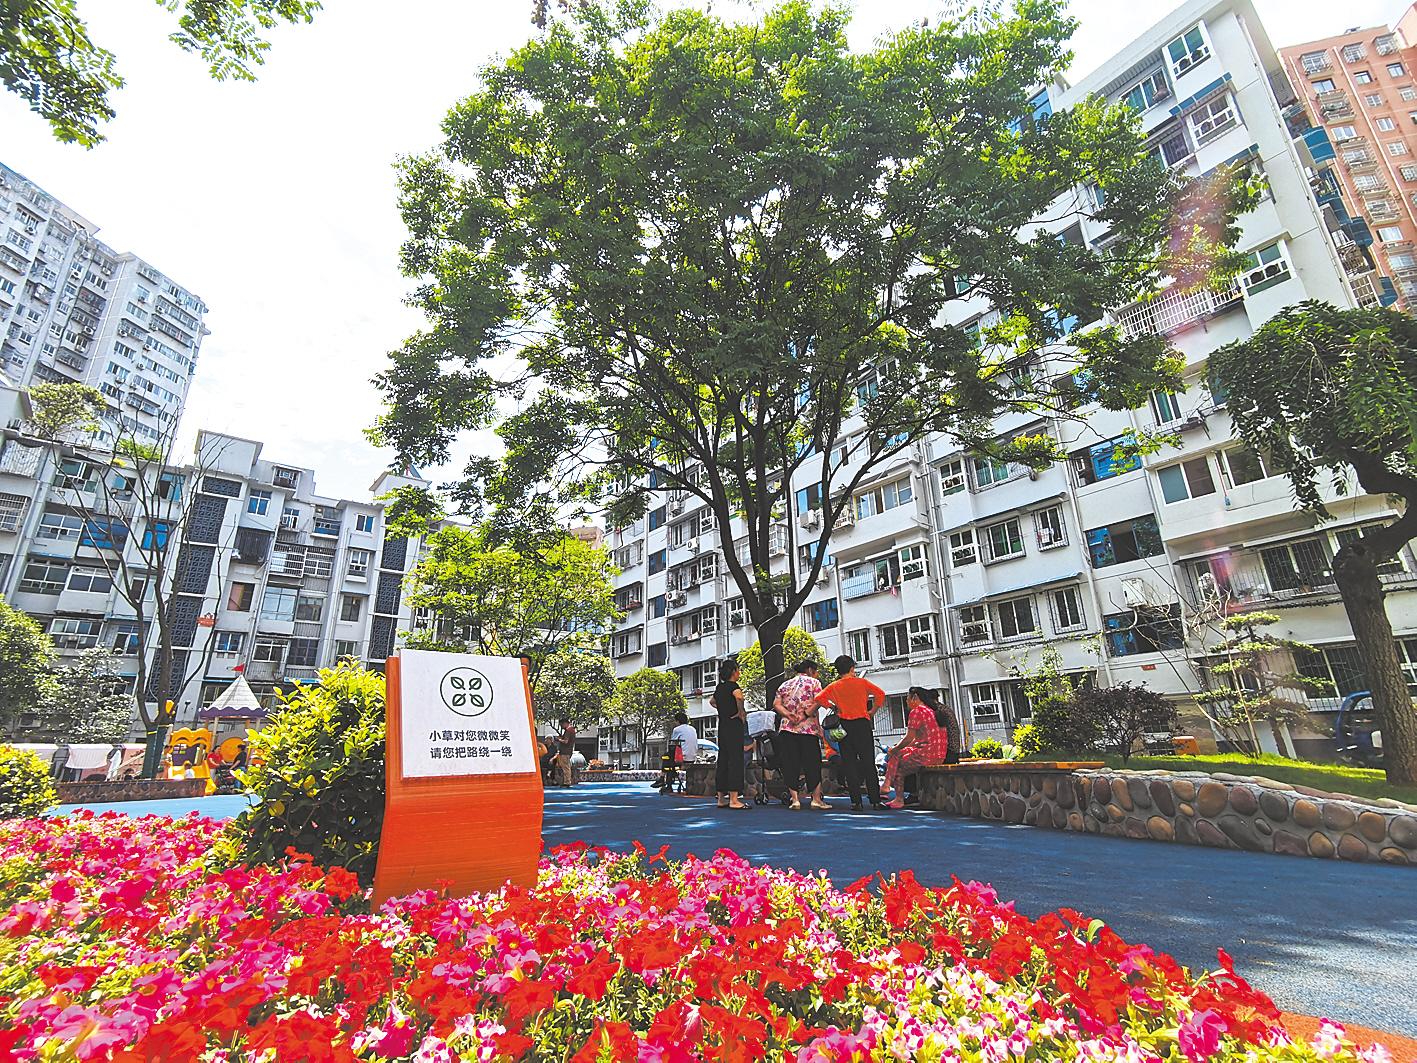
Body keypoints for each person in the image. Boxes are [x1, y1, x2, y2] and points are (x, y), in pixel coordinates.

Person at [814, 655, 887, 811]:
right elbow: (880, 694)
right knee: (868, 763)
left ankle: (856, 802)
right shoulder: (862, 683)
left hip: (844, 726)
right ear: (852, 668)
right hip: (862, 724)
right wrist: (872, 711)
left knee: (849, 763)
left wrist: (833, 707)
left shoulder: (834, 686)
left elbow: (819, 698)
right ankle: (875, 800)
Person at [881, 687, 952, 809]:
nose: (906, 701)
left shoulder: (917, 712)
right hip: (939, 755)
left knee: (898, 768)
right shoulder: (932, 711)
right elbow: (917, 741)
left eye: (907, 698)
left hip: (926, 755)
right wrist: (898, 749)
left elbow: (909, 738)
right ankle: (887, 785)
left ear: (915, 698)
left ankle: (893, 794)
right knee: (898, 755)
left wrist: (894, 749)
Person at [773, 660, 828, 810]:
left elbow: (776, 704)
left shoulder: (784, 685)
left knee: (790, 764)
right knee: (812, 763)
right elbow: (819, 700)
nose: (817, 674)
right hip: (808, 729)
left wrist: (788, 714)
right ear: (810, 670)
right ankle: (816, 799)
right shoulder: (814, 683)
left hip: (787, 729)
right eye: (816, 671)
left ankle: (795, 800)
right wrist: (805, 714)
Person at [713, 658, 749, 809]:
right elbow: (739, 697)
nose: (739, 672)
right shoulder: (734, 686)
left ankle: (721, 798)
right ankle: (734, 799)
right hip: (734, 725)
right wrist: (740, 711)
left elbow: (712, 702)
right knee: (735, 759)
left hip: (723, 725)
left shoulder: (720, 688)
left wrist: (723, 709)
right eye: (738, 670)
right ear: (734, 671)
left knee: (723, 759)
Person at [554, 721, 577, 786]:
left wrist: (558, 740)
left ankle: (567, 782)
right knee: (566, 766)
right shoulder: (572, 730)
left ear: (565, 723)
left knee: (565, 767)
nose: (561, 727)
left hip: (565, 751)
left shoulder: (568, 731)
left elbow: (566, 741)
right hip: (567, 751)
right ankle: (566, 781)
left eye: (561, 725)